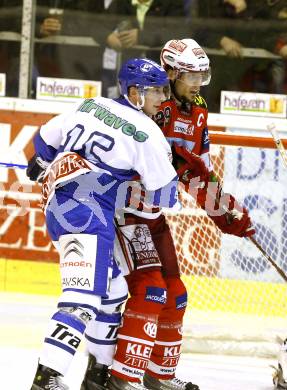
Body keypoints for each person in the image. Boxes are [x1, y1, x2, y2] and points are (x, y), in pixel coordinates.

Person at [80, 39, 255, 390]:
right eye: (191, 75)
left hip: (153, 215)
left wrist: (225, 211)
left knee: (176, 294)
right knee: (150, 292)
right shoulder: (146, 104)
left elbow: (200, 170)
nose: (198, 84)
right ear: (172, 72)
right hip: (125, 213)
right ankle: (120, 377)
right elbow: (148, 160)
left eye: (203, 76)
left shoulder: (199, 109)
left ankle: (159, 375)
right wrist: (182, 166)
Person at [27, 57, 179, 390]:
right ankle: (46, 378)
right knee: (82, 299)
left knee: (113, 290)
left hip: (61, 206)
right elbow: (166, 197)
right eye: (156, 92)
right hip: (89, 213)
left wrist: (39, 163)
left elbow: (43, 141)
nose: (163, 99)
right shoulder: (147, 133)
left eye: (164, 91)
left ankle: (97, 374)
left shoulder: (92, 105)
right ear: (135, 92)